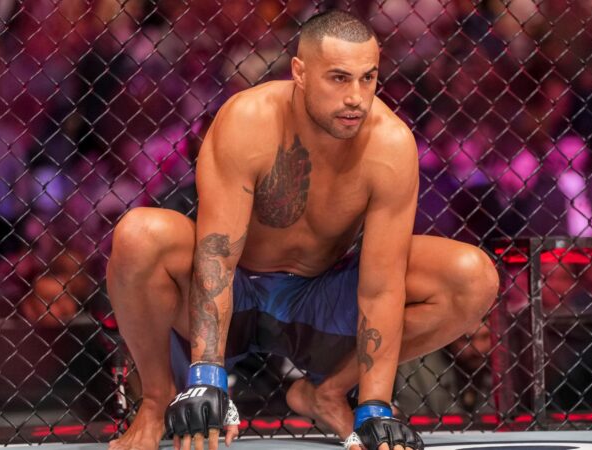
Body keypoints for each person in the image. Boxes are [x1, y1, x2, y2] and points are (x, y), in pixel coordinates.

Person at [106, 10, 498, 450]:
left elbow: (381, 285)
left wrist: (374, 407)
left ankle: (326, 392)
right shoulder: (248, 120)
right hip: (237, 290)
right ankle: (156, 401)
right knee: (139, 234)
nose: (356, 98)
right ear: (300, 72)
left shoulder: (390, 144)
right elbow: (217, 257)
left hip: (318, 301)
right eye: (339, 78)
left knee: (473, 276)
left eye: (368, 78)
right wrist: (206, 379)